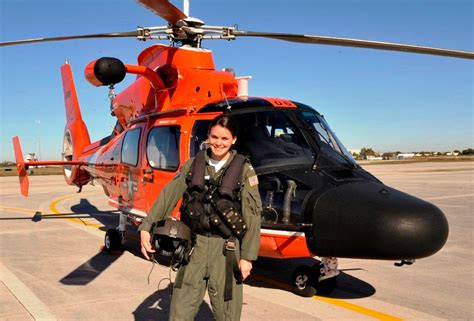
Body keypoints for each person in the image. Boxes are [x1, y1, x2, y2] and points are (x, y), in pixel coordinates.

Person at [139, 114, 262, 321]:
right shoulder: (193, 165)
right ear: (208, 136)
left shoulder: (244, 170)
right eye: (214, 137)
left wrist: (247, 257)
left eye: (224, 138)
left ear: (234, 140)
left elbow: (253, 215)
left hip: (226, 251)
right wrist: (146, 226)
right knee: (180, 311)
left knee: (228, 314)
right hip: (194, 247)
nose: (218, 143)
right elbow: (169, 195)